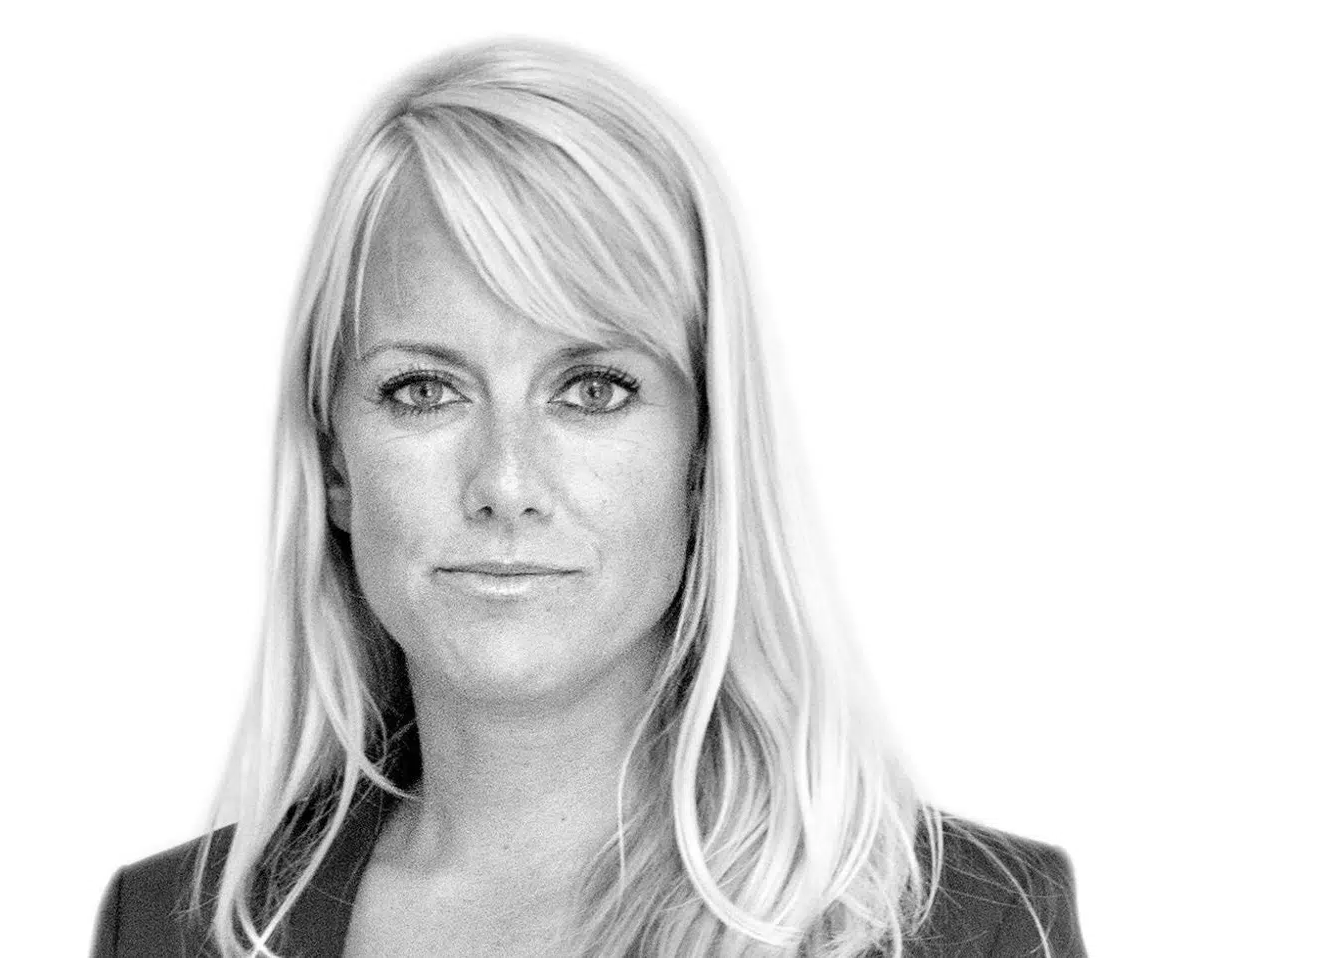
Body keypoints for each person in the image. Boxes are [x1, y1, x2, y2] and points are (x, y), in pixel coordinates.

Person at [91, 36, 1087, 958]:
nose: (506, 485)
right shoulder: (167, 929)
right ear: (337, 462)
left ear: (705, 456)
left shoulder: (968, 930)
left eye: (593, 390)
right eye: (424, 390)